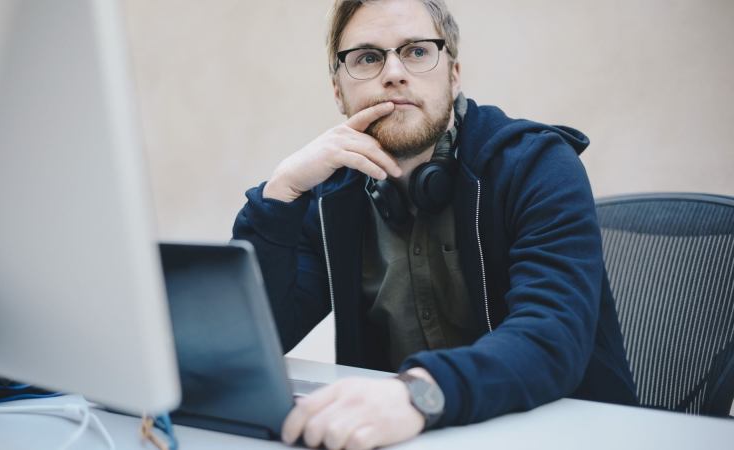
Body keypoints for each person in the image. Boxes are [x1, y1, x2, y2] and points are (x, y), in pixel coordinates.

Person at [233, 0, 638, 448]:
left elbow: (552, 336)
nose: (394, 73)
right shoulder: (332, 198)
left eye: (417, 51)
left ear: (454, 73)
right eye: (367, 58)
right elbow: (255, 341)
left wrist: (419, 395)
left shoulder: (538, 166)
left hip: (564, 435)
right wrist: (281, 192)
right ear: (337, 91)